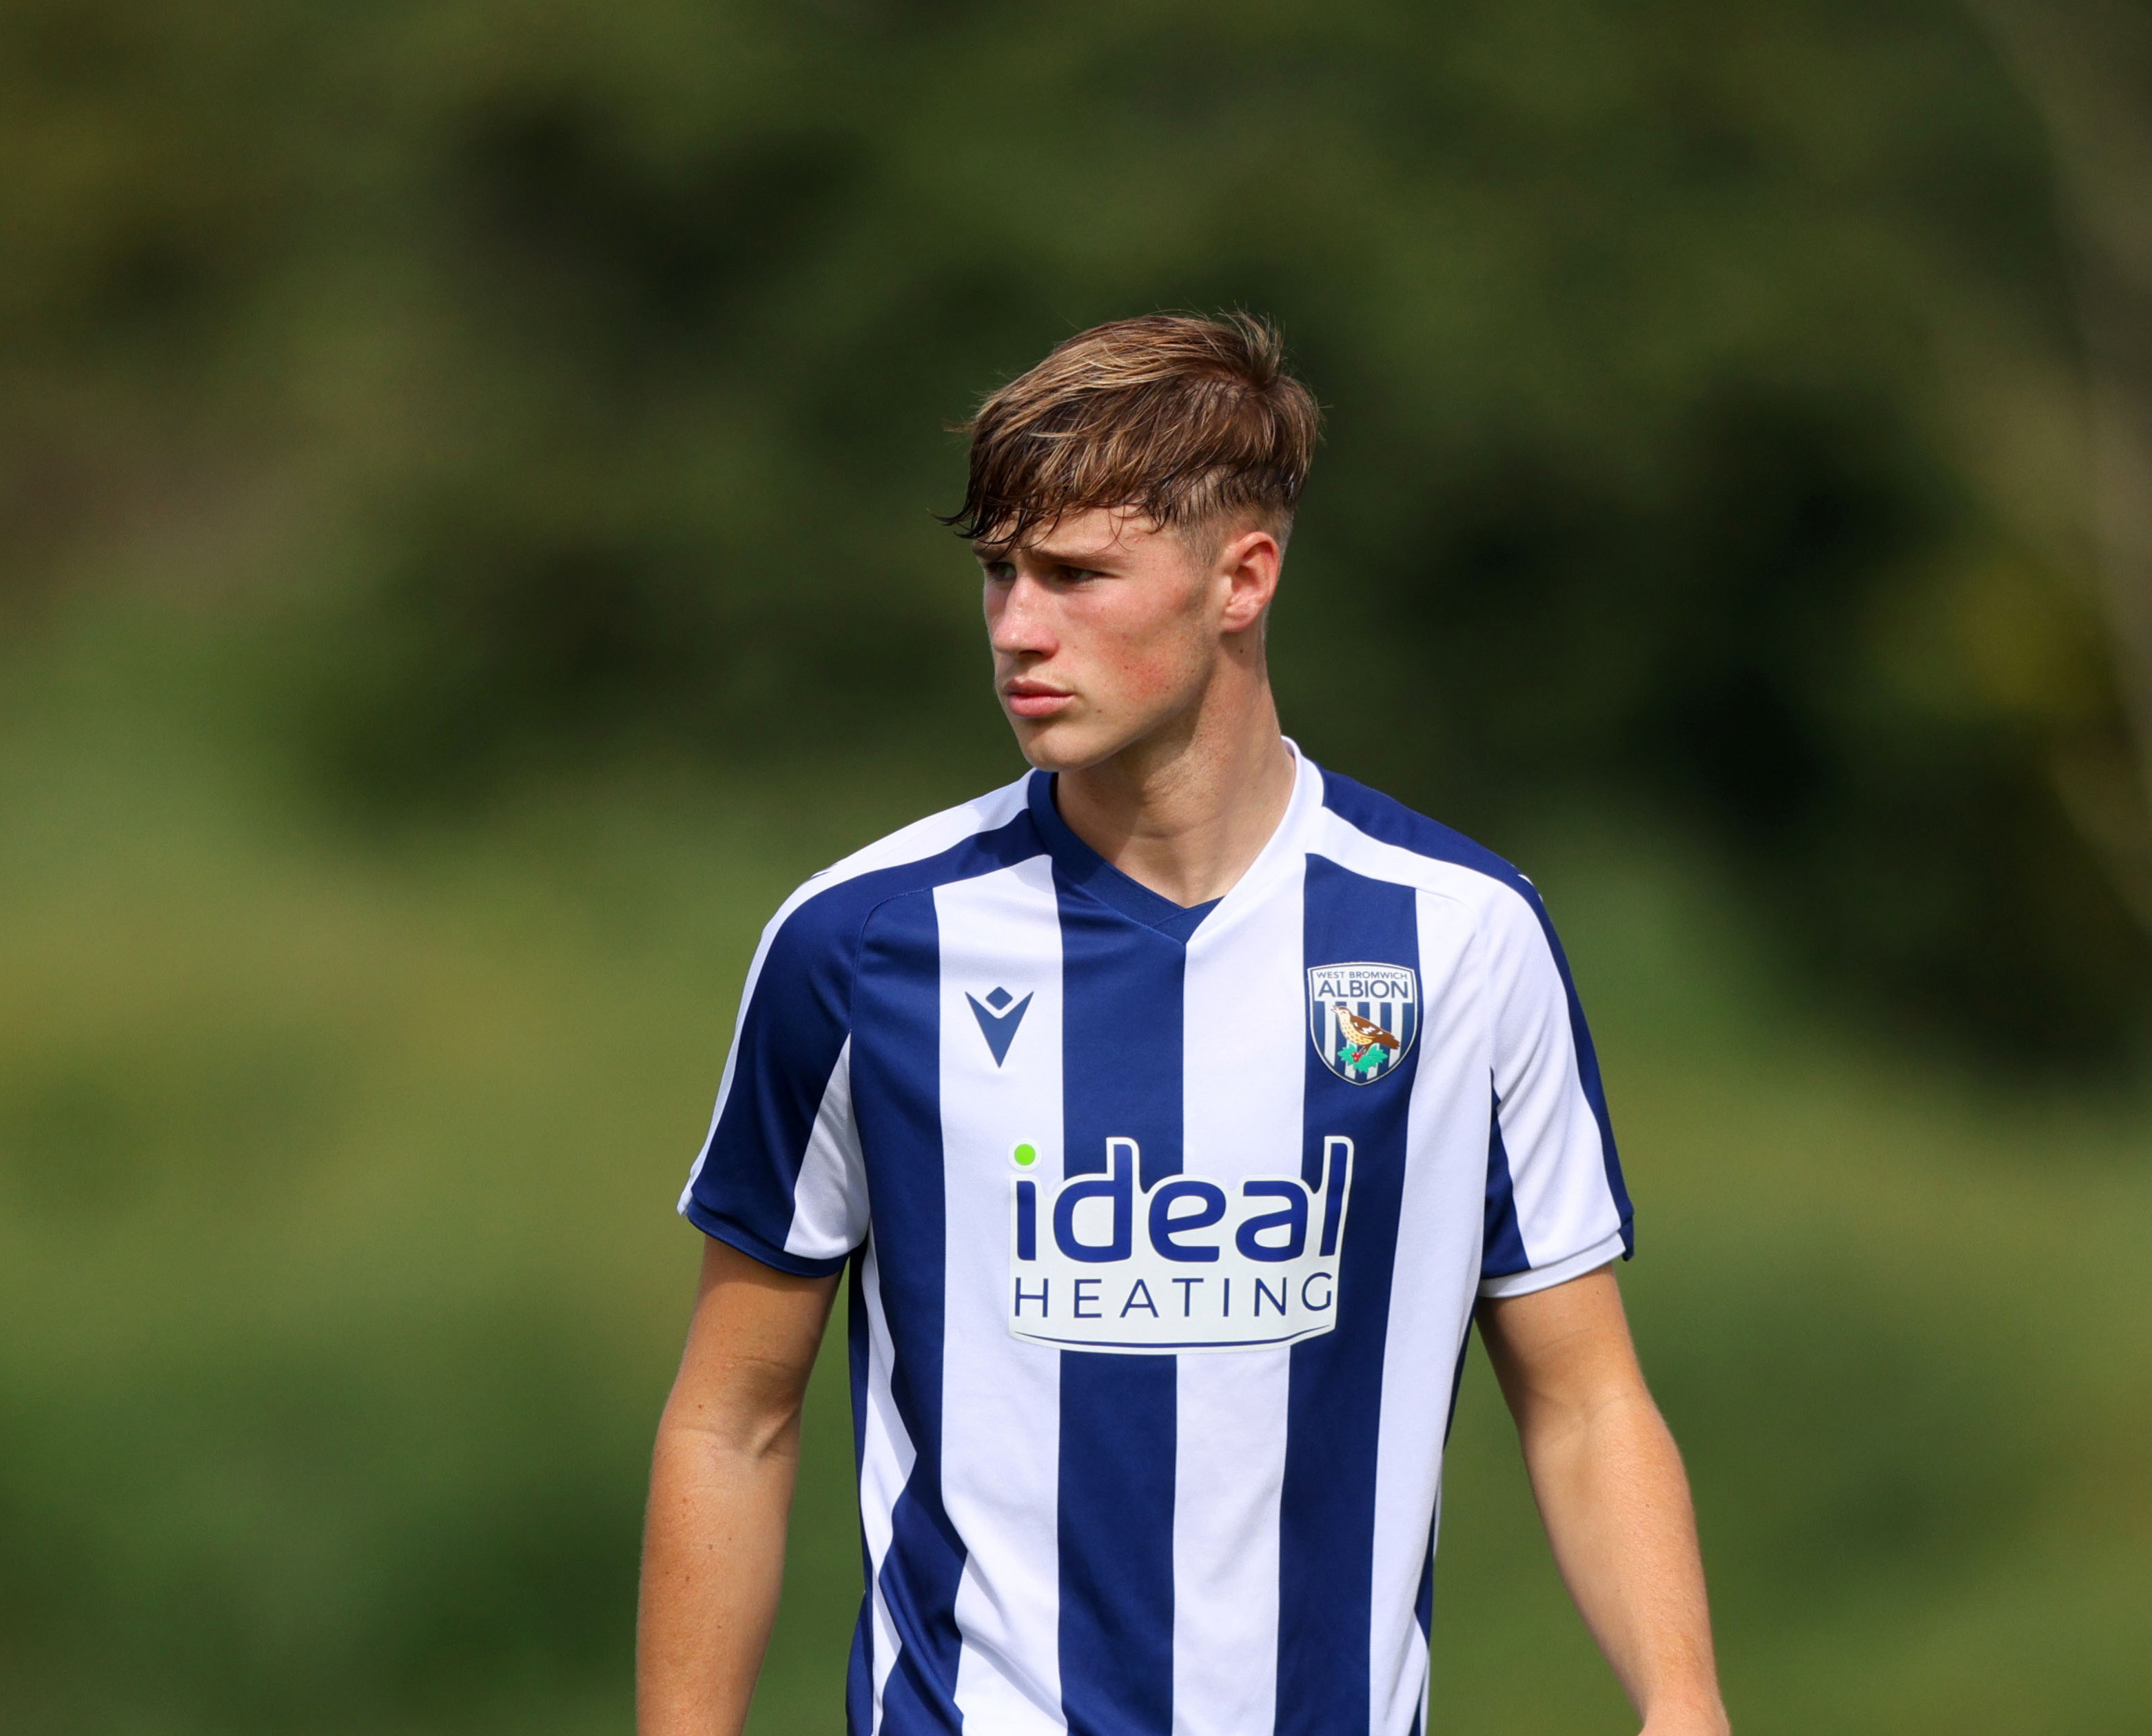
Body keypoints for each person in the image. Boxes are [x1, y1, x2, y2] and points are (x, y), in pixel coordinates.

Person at [637, 314, 1728, 1736]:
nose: (1020, 627)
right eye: (999, 576)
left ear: (1243, 579)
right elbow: (734, 1418)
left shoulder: (1461, 937)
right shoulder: (862, 945)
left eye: (1077, 576)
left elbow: (1585, 1402)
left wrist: (1685, 1701)